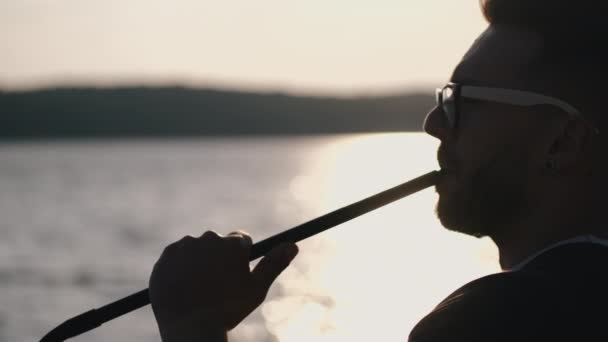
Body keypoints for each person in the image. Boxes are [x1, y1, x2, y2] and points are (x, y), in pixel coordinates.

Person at [148, 0, 608, 341]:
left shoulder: (501, 319)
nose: (434, 124)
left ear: (562, 140)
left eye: (462, 103)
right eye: (444, 98)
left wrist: (195, 329)